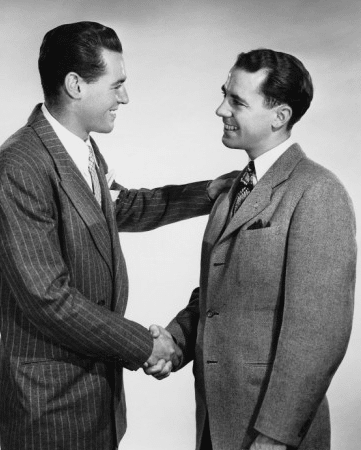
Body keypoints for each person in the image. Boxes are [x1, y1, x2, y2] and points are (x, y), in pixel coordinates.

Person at [0, 21, 231, 450]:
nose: (125, 97)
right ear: (75, 85)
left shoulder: (80, 147)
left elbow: (124, 207)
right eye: (116, 84)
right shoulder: (19, 166)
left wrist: (207, 192)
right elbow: (48, 299)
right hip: (47, 407)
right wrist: (144, 345)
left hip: (95, 398)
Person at [146, 49, 357, 450]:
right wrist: (175, 342)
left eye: (237, 101)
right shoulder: (233, 189)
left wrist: (274, 437)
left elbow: (319, 337)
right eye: (225, 94)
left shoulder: (318, 193)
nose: (220, 109)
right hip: (217, 422)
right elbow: (220, 297)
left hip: (270, 435)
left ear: (280, 116)